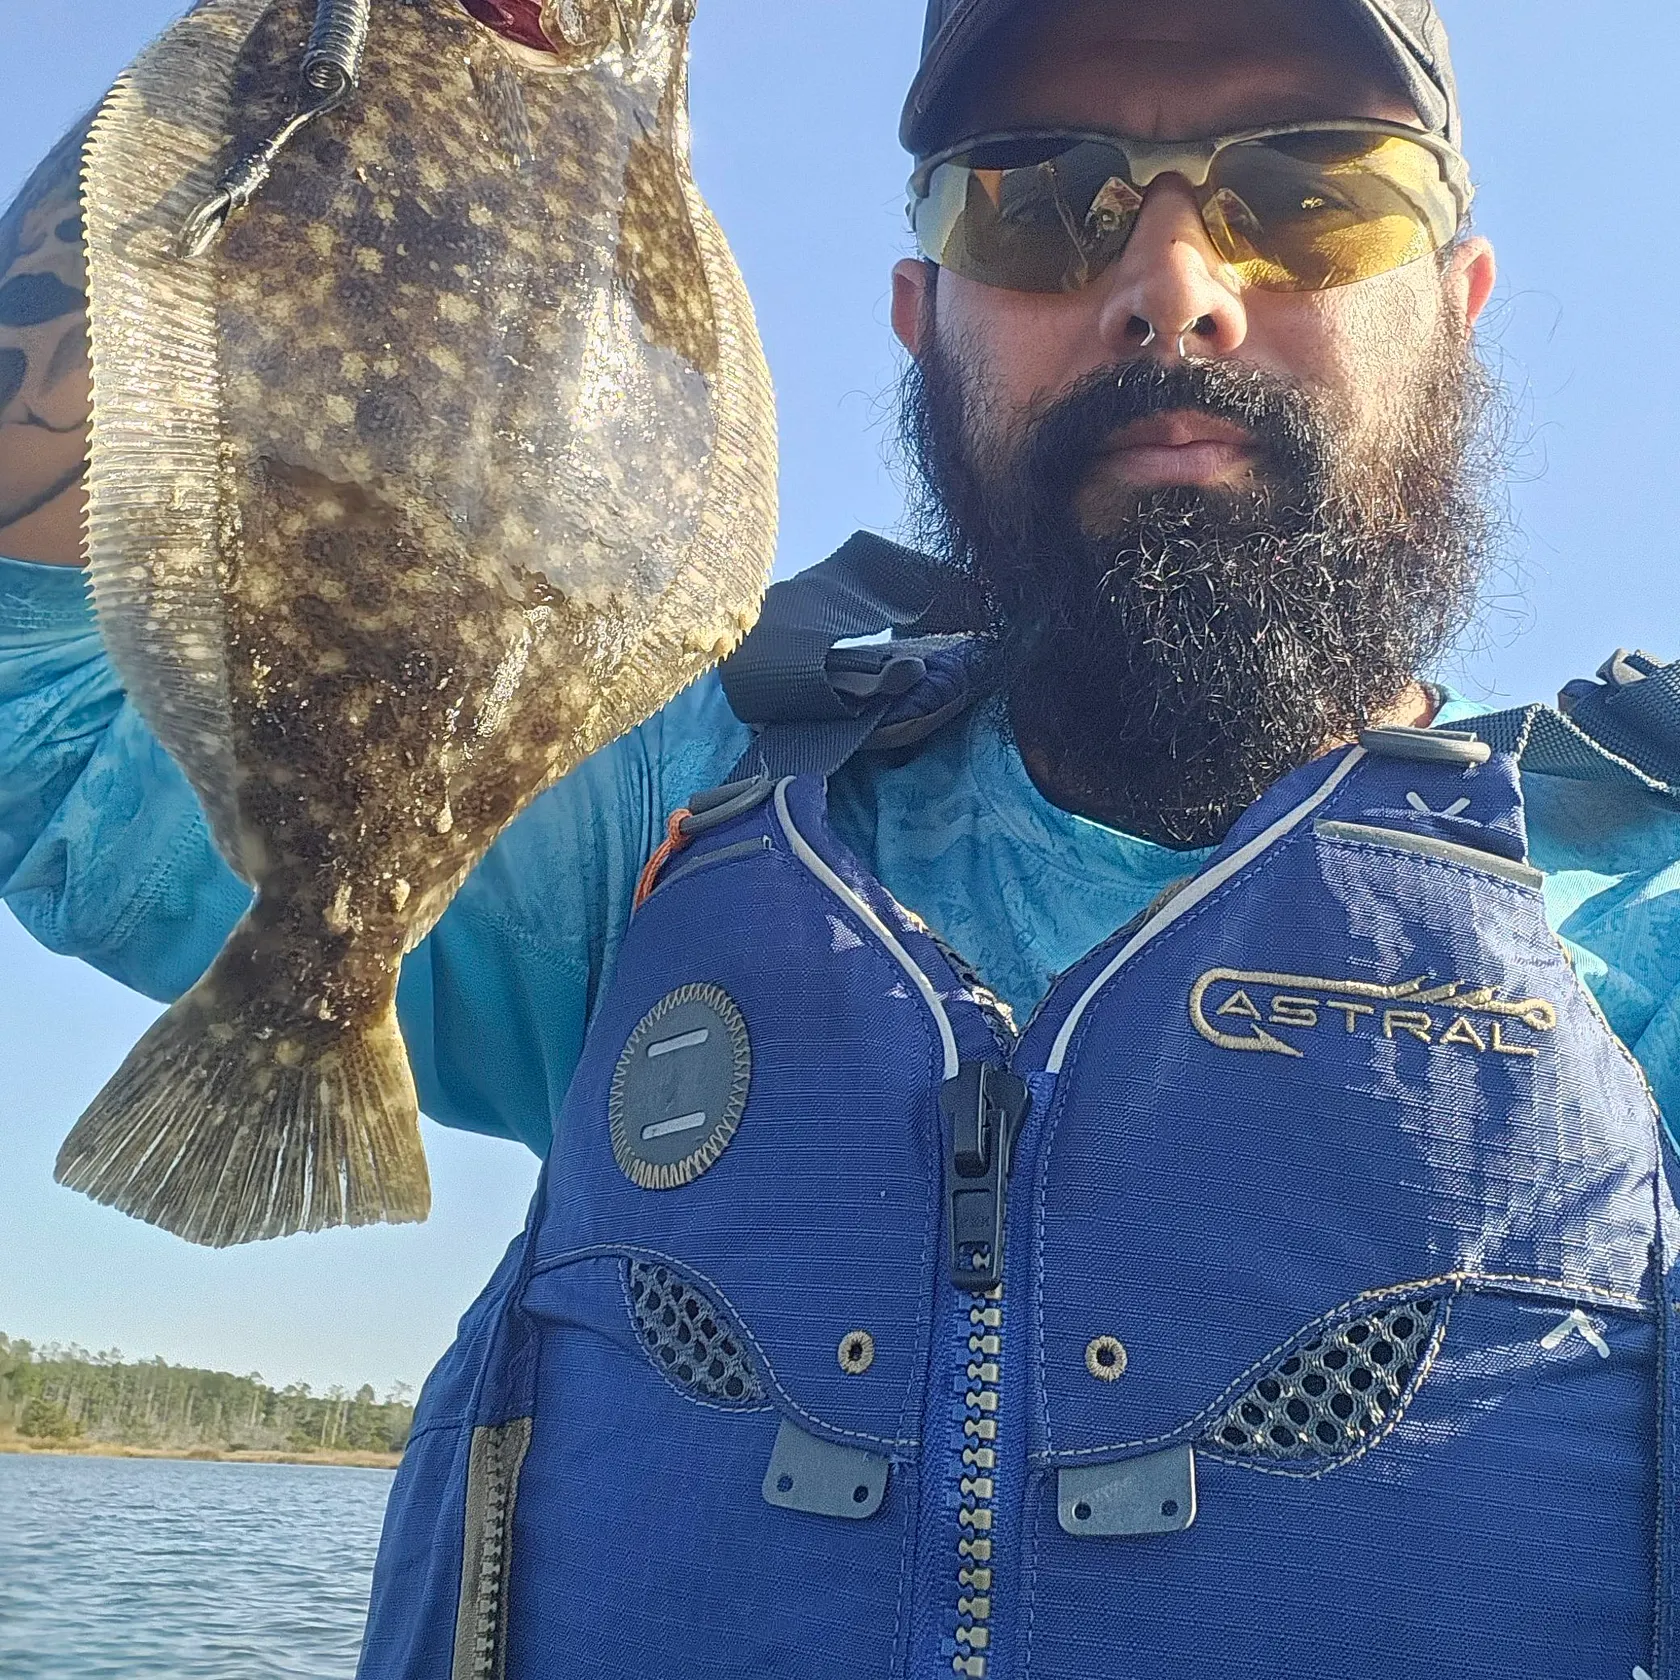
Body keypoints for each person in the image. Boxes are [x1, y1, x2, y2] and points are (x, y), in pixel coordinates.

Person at [4, 0, 1680, 1674]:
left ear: (1458, 306)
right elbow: (37, 703)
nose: (1174, 284)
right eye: (1032, 194)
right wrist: (319, 65)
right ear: (921, 319)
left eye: (1314, 188)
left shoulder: (1645, 935)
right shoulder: (660, 822)